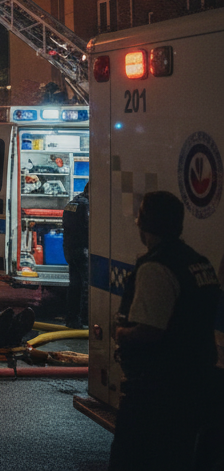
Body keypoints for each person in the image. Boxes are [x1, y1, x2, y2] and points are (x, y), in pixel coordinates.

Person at [109, 191, 221, 470]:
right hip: (195, 383)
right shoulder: (198, 262)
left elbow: (150, 331)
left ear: (143, 223)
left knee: (133, 460)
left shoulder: (156, 267)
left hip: (156, 393)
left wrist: (120, 333)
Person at [62, 185, 90, 329]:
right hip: (82, 250)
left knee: (74, 285)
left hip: (70, 250)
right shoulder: (86, 205)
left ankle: (72, 319)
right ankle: (85, 319)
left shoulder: (72, 203)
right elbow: (89, 227)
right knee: (86, 285)